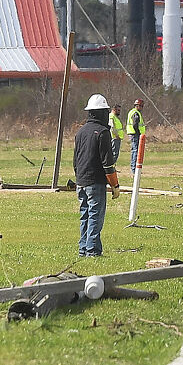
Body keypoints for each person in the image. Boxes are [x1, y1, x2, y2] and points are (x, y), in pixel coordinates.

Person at [75, 94, 119, 258]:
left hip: (81, 181)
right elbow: (108, 163)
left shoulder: (80, 132)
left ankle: (83, 249)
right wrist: (115, 185)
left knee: (85, 216)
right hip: (95, 183)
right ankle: (92, 250)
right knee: (95, 216)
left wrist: (79, 178)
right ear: (102, 113)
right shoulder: (103, 132)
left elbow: (76, 160)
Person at [124, 99, 145, 170]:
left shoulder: (132, 112)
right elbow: (135, 124)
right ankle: (134, 168)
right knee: (135, 151)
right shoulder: (135, 113)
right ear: (137, 106)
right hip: (135, 134)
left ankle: (134, 167)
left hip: (133, 133)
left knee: (135, 150)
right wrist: (138, 133)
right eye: (141, 106)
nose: (142, 108)